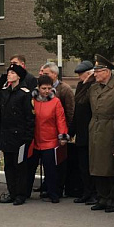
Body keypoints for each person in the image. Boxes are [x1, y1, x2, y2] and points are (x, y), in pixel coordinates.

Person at [89, 55, 114, 213]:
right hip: (95, 128)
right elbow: (81, 102)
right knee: (96, 165)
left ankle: (112, 199)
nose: (95, 74)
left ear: (106, 72)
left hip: (111, 128)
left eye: (97, 72)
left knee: (111, 166)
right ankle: (102, 197)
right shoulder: (93, 88)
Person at [0, 63, 36, 205]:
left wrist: (28, 137)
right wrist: (1, 80)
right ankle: (12, 192)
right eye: (8, 72)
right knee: (8, 165)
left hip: (20, 136)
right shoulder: (4, 91)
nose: (9, 75)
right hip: (6, 135)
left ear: (18, 76)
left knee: (20, 166)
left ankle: (21, 194)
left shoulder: (24, 93)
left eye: (12, 73)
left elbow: (30, 117)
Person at [29, 75, 70, 202]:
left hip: (50, 141)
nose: (46, 91)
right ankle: (24, 192)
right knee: (30, 168)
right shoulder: (32, 100)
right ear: (38, 88)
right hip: (35, 140)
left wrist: (63, 135)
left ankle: (54, 193)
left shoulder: (55, 102)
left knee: (51, 169)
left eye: (49, 88)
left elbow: (61, 120)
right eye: (43, 88)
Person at [40, 62, 76, 198]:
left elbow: (70, 112)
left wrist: (67, 133)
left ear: (54, 74)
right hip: (45, 133)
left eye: (46, 73)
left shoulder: (64, 89)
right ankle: (48, 186)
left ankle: (58, 189)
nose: (43, 75)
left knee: (59, 162)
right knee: (48, 163)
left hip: (60, 132)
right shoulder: (39, 92)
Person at [71, 61, 97, 204]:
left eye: (82, 75)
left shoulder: (93, 86)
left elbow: (83, 103)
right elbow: (77, 109)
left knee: (92, 165)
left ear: (89, 74)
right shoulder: (82, 86)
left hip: (91, 132)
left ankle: (94, 193)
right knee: (83, 166)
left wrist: (87, 83)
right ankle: (86, 192)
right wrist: (71, 131)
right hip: (81, 133)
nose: (80, 77)